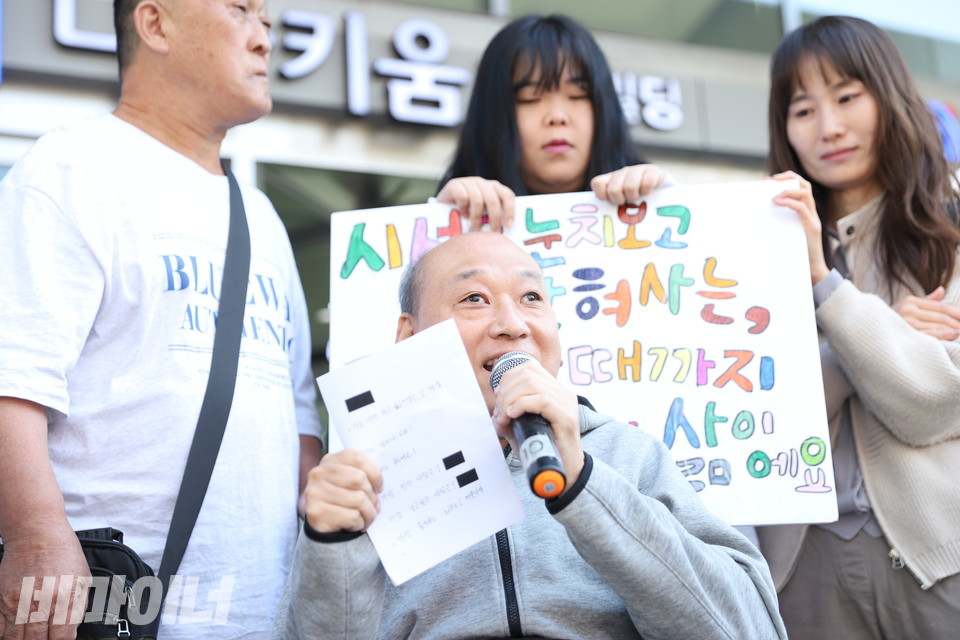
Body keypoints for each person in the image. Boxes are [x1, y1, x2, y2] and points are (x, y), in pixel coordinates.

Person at [272, 232, 786, 639]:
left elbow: (751, 630)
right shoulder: (366, 476)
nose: (512, 323)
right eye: (474, 298)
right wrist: (332, 545)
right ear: (408, 336)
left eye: (531, 298)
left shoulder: (629, 455)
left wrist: (585, 484)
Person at [0, 1, 322, 638]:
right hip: (110, 608)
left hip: (267, 613)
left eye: (266, 17)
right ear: (155, 24)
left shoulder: (259, 213)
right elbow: (14, 380)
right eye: (239, 10)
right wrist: (35, 537)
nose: (264, 38)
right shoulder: (71, 169)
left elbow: (299, 418)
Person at [759, 15, 960, 639]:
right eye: (803, 109)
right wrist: (879, 338)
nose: (829, 127)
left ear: (887, 95)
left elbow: (933, 403)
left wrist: (827, 289)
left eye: (847, 97)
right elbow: (759, 410)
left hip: (937, 556)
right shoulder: (755, 248)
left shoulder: (948, 231)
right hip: (800, 566)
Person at [436, 14, 668, 232]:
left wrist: (667, 199)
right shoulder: (456, 212)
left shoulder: (655, 198)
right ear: (490, 117)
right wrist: (442, 219)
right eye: (530, 98)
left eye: (578, 95)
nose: (557, 116)